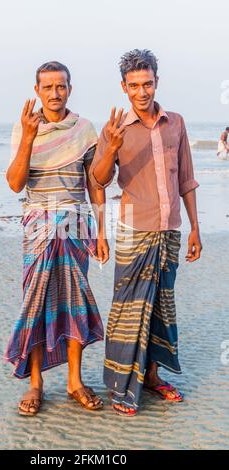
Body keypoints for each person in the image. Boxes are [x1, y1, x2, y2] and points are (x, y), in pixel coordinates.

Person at [89, 49, 202, 416]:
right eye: (134, 85)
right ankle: (121, 388)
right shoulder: (116, 129)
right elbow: (99, 179)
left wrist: (195, 229)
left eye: (147, 83)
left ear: (156, 81)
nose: (142, 91)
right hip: (134, 231)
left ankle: (151, 377)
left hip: (169, 231)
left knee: (159, 307)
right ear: (124, 87)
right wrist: (112, 148)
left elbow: (185, 178)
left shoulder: (177, 123)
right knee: (128, 309)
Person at [5, 61, 109, 416]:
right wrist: (29, 137)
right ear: (37, 91)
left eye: (60, 86)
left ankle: (75, 381)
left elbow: (95, 183)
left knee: (74, 302)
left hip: (76, 224)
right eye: (47, 87)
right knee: (36, 303)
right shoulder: (26, 129)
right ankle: (36, 384)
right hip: (38, 224)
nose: (54, 93)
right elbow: (16, 183)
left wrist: (102, 230)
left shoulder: (84, 129)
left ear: (70, 88)